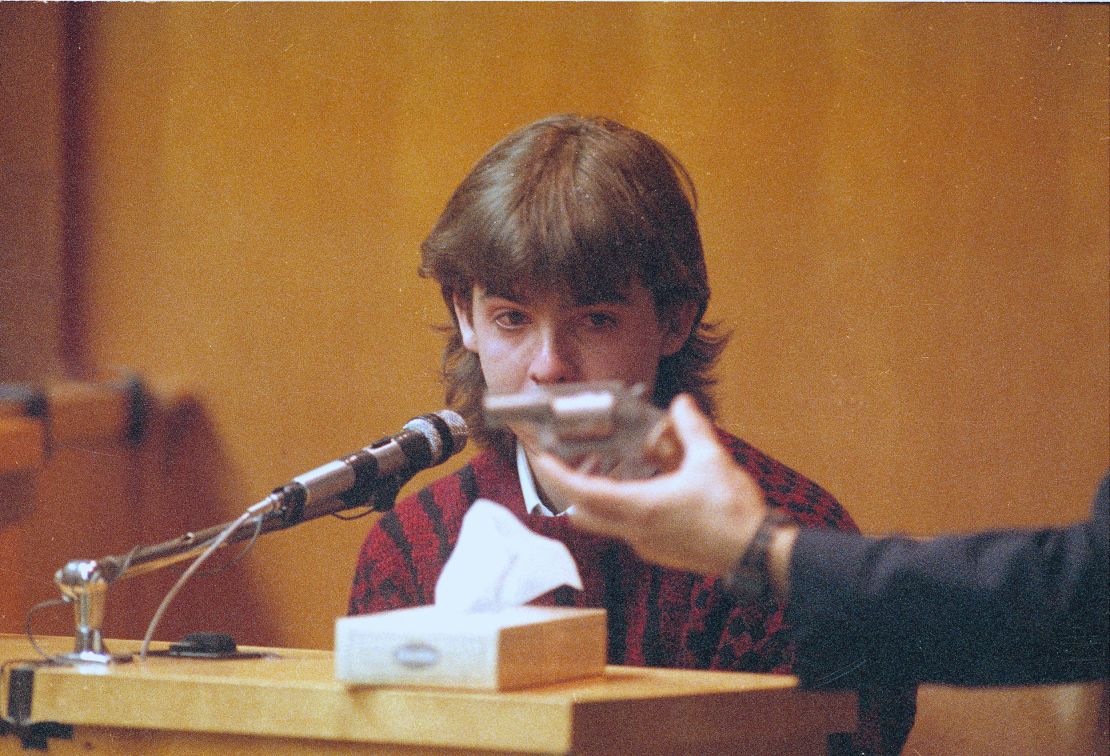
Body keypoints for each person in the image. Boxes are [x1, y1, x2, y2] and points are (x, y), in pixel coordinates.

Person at [348, 114, 916, 753]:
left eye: (594, 320)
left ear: (673, 320)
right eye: (512, 319)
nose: (548, 365)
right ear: (466, 317)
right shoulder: (409, 545)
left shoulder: (788, 541)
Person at [535, 394, 1110, 689]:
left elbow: (1088, 591)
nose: (549, 367)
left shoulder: (803, 510)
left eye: (597, 319)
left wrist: (765, 550)